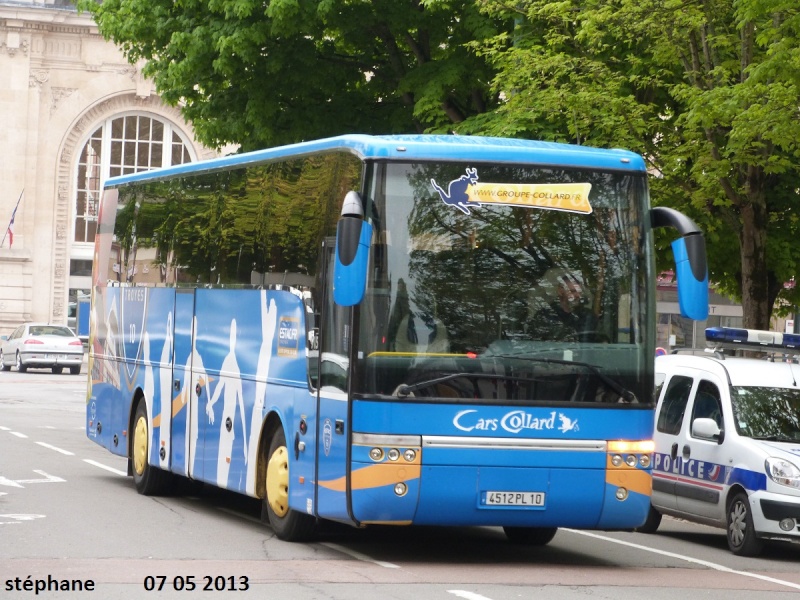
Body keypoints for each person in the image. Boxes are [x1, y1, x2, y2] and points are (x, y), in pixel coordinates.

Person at [529, 274, 595, 341]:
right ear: (560, 291)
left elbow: (592, 342)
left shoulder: (587, 316)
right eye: (573, 291)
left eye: (579, 292)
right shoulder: (544, 316)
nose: (578, 295)